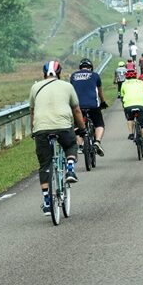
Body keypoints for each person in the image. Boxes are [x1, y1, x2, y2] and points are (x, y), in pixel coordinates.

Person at [30, 60, 86, 214]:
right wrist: (82, 128)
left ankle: (47, 203)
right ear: (59, 73)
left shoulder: (35, 87)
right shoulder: (68, 86)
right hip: (63, 126)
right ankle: (69, 169)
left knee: (44, 166)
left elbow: (33, 112)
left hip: (41, 128)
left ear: (44, 74)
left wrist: (33, 130)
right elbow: (76, 110)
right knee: (71, 145)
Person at [70, 58, 106, 157]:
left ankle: (81, 145)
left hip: (78, 106)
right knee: (99, 124)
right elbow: (100, 92)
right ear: (91, 67)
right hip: (92, 105)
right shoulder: (95, 75)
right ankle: (97, 142)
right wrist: (103, 102)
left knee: (77, 126)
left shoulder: (73, 76)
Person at [119, 67, 143, 149]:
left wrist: (124, 106)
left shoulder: (124, 84)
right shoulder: (141, 82)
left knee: (130, 119)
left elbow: (122, 97)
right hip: (141, 104)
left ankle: (131, 134)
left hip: (128, 105)